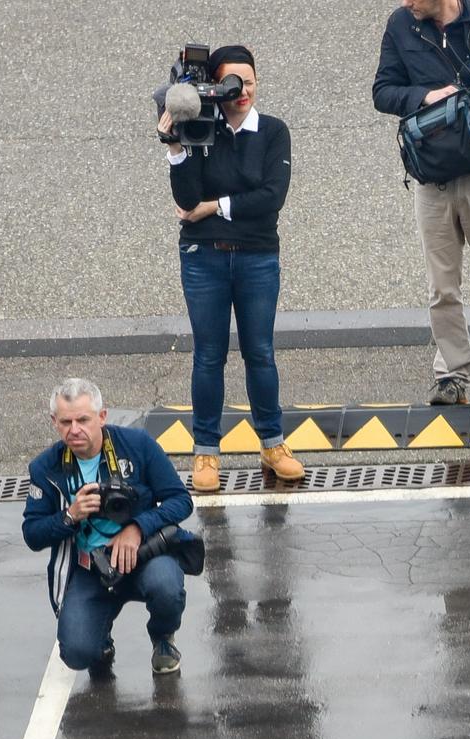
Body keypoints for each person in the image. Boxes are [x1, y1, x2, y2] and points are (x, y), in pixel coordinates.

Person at [160, 43, 305, 496]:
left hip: (257, 255)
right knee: (208, 354)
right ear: (215, 88)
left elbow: (270, 199)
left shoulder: (274, 132)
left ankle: (273, 444)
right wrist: (177, 149)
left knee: (260, 351)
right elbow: (186, 203)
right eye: (232, 83)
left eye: (249, 82)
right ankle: (206, 450)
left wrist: (215, 205)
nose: (242, 91)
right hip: (204, 259)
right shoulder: (203, 130)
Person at [373, 0, 470, 407]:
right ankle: (451, 376)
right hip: (433, 179)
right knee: (442, 287)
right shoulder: (400, 25)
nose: (407, 3)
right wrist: (425, 96)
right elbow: (383, 92)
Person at [23, 377, 196, 681]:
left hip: (144, 557)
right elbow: (32, 534)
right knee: (77, 654)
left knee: (166, 587)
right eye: (65, 422)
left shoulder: (138, 445)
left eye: (83, 420)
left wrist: (138, 528)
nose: (74, 429)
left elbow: (181, 501)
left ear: (102, 417)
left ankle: (163, 637)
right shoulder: (45, 468)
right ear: (54, 422)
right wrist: (69, 516)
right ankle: (100, 638)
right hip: (90, 569)